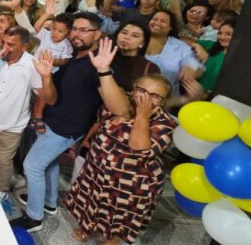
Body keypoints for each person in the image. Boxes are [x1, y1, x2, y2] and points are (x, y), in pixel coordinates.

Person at [10, 16, 131, 233]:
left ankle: (34, 217)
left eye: (84, 30)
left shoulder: (98, 62)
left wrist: (104, 70)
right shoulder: (75, 56)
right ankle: (49, 202)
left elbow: (120, 109)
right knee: (49, 163)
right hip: (54, 120)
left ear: (98, 34)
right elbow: (54, 95)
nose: (77, 34)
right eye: (74, 29)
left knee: (32, 166)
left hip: (66, 128)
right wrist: (46, 78)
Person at [65, 74, 176, 245]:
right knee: (90, 203)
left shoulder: (165, 124)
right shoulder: (118, 101)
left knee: (117, 217)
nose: (145, 99)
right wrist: (88, 140)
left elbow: (139, 150)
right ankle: (88, 227)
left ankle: (109, 241)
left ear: (163, 101)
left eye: (154, 96)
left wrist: (142, 116)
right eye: (142, 91)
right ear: (134, 88)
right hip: (96, 171)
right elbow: (100, 121)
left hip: (128, 185)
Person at [0, 28, 49, 200]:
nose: (4, 48)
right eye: (3, 42)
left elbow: (47, 97)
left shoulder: (32, 64)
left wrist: (47, 78)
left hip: (12, 125)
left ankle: (1, 187)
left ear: (24, 46)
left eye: (10, 45)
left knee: (4, 159)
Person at [145, 10, 203, 96]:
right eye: (155, 19)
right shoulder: (138, 38)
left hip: (167, 99)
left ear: (170, 27)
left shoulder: (180, 47)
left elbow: (197, 67)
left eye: (163, 21)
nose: (157, 23)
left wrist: (193, 70)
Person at [109, 21, 160, 93]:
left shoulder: (150, 68)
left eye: (135, 36)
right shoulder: (104, 57)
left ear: (143, 43)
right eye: (124, 32)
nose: (126, 37)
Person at [194, 21, 235, 93]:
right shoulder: (211, 45)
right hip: (192, 91)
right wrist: (197, 46)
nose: (222, 37)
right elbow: (183, 39)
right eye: (220, 33)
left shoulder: (238, 61)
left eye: (228, 34)